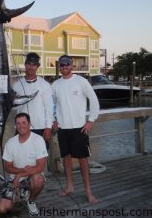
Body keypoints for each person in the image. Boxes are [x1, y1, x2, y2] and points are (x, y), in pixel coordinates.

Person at [51, 55, 100, 204]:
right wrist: (53, 119)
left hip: (79, 128)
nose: (64, 67)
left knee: (83, 159)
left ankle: (88, 190)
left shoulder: (81, 81)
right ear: (59, 67)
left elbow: (94, 100)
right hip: (63, 128)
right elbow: (51, 104)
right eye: (61, 65)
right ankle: (69, 186)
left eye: (67, 64)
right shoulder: (55, 85)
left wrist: (91, 120)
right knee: (66, 157)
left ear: (72, 66)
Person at [0, 113, 48, 217]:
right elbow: (7, 167)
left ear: (29, 124)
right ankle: (20, 194)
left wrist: (20, 175)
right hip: (14, 180)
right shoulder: (10, 143)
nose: (21, 126)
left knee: (38, 180)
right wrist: (21, 171)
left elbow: (40, 167)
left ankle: (31, 201)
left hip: (32, 176)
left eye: (24, 123)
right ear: (15, 126)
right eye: (18, 123)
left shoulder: (38, 140)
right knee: (2, 209)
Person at [12, 52, 54, 148]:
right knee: (20, 157)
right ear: (25, 65)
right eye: (28, 64)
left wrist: (48, 127)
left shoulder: (45, 85)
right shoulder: (16, 85)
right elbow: (14, 109)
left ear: (37, 67)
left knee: (40, 159)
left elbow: (49, 107)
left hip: (41, 127)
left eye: (33, 65)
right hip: (21, 127)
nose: (31, 67)